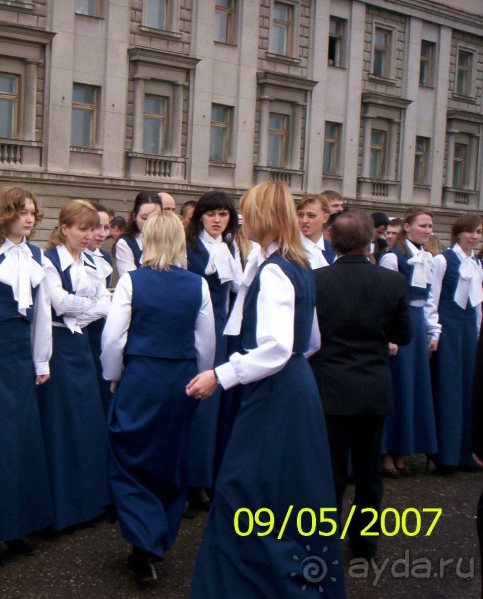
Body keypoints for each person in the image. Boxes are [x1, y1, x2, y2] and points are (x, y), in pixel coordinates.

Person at [189, 181, 344, 599]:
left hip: (276, 391)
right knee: (288, 489)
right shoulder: (298, 263)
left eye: (246, 214)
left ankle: (255, 585)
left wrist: (222, 375)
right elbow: (311, 341)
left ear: (263, 217)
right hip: (294, 386)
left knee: (247, 488)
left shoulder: (276, 269)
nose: (240, 223)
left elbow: (276, 347)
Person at [102, 210, 215, 585]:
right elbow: (206, 342)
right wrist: (201, 378)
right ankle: (155, 539)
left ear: (147, 240)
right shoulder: (198, 285)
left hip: (141, 377)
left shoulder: (132, 281)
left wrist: (114, 376)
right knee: (170, 456)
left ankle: (142, 540)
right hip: (181, 378)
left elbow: (113, 339)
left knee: (130, 455)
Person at [310, 210, 412, 560]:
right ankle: (365, 543)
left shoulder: (317, 280)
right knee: (369, 473)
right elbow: (404, 334)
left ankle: (323, 540)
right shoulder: (392, 282)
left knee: (330, 472)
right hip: (372, 386)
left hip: (330, 386)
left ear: (334, 242)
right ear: (371, 240)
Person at [0, 185, 53, 560]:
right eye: (22, 212)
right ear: (5, 214)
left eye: (32, 212)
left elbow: (42, 313)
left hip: (21, 354)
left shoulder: (36, 255)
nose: (29, 218)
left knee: (23, 441)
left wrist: (41, 359)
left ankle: (18, 527)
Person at [39, 200, 110, 531]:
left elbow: (105, 302)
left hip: (81, 344)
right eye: (82, 229)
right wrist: (95, 305)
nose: (89, 235)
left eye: (92, 229)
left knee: (87, 420)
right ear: (64, 228)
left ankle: (90, 502)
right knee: (63, 421)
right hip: (59, 344)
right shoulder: (48, 260)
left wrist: (91, 307)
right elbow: (60, 303)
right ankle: (64, 508)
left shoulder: (94, 261)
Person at [184, 191, 242, 508]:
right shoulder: (189, 246)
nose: (217, 220)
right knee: (194, 404)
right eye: (211, 214)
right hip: (193, 327)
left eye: (223, 214)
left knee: (214, 406)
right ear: (200, 216)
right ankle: (189, 480)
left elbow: (237, 288)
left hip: (222, 328)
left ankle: (206, 477)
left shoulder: (230, 246)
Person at [379, 208, 439, 477]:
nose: (428, 230)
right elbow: (385, 298)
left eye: (430, 226)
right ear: (407, 226)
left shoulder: (427, 257)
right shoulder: (393, 257)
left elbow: (428, 299)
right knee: (396, 386)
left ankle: (403, 448)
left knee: (412, 388)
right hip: (399, 323)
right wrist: (389, 334)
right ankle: (386, 451)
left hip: (417, 324)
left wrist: (432, 331)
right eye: (423, 225)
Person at [429, 215, 483, 472]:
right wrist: (434, 331)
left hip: (468, 327)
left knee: (469, 388)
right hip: (448, 326)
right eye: (471, 231)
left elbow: (477, 302)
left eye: (479, 232)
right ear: (459, 233)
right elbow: (432, 297)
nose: (475, 236)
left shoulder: (476, 263)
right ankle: (446, 454)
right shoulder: (443, 260)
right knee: (448, 388)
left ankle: (466, 452)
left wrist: (478, 331)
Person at [86, 203, 115, 412]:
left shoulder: (105, 257)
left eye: (106, 227)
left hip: (102, 329)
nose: (102, 233)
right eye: (96, 227)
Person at [114, 191, 162, 275]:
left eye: (155, 218)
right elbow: (130, 278)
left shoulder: (171, 240)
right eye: (145, 218)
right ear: (134, 216)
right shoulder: (126, 243)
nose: (150, 223)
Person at [297, 194, 335, 269]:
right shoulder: (289, 250)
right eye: (301, 215)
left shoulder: (333, 250)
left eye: (311, 216)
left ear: (325, 218)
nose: (304, 220)